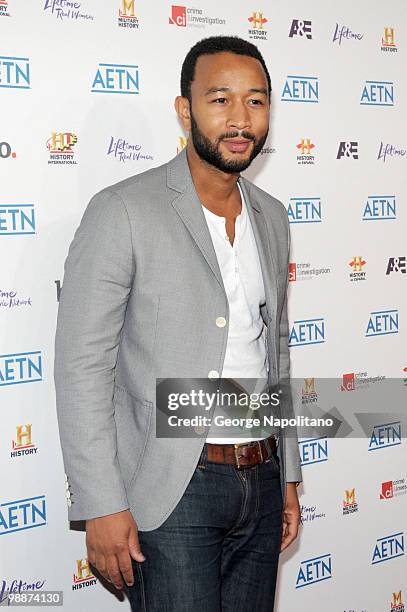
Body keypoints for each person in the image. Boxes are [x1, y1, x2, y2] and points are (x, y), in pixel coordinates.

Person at [54, 35, 302, 611]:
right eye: (220, 100)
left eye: (256, 101)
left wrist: (287, 471)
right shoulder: (123, 210)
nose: (240, 119)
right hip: (173, 489)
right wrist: (100, 501)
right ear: (185, 110)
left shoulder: (273, 216)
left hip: (260, 478)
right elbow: (82, 364)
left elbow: (277, 353)